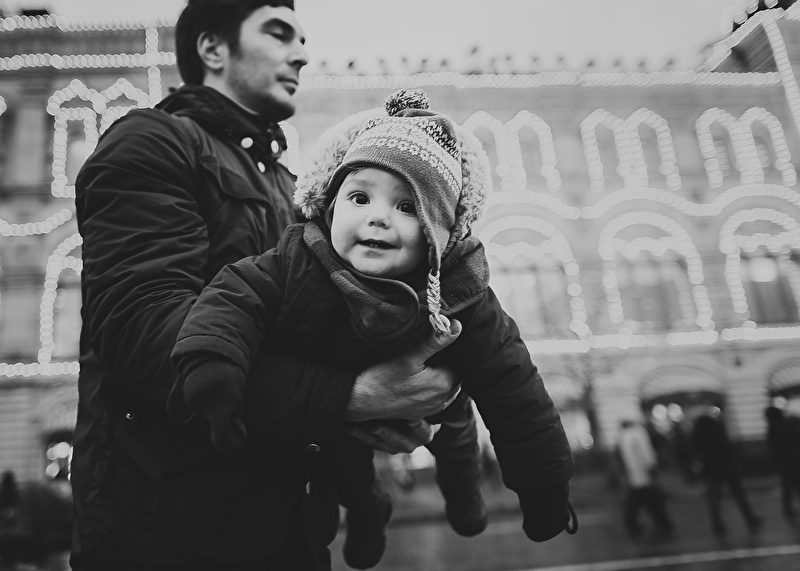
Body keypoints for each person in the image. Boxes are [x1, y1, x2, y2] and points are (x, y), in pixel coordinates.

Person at [71, 2, 463, 569]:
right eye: (279, 34)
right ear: (212, 48)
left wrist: (400, 388)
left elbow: (318, 336)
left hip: (289, 532)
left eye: (303, 39)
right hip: (164, 537)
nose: (301, 54)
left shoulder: (294, 188)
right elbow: (142, 334)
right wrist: (352, 397)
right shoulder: (151, 143)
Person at [168, 89, 577, 568]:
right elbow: (235, 296)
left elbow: (514, 388)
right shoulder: (298, 261)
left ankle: (464, 498)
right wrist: (214, 365)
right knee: (343, 461)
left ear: (440, 231)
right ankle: (368, 512)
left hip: (438, 398)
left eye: (408, 206)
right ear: (330, 206)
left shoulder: (464, 290)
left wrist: (545, 486)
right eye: (360, 197)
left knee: (456, 431)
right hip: (339, 399)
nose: (378, 216)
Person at [691, 407, 762, 535]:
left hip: (710, 467)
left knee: (714, 497)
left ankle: (717, 524)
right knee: (738, 494)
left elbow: (696, 450)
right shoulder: (718, 427)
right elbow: (727, 446)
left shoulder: (697, 432)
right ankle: (750, 518)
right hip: (726, 465)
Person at [616, 419, 673, 538]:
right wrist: (651, 465)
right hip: (641, 474)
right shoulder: (636, 433)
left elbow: (636, 454)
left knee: (642, 501)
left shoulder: (628, 435)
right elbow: (645, 451)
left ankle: (636, 525)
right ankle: (663, 524)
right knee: (649, 501)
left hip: (638, 474)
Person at [766, 400, 800, 518]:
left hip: (783, 461)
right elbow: (792, 436)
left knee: (789, 485)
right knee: (793, 484)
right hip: (790, 460)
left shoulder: (772, 426)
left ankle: (787, 509)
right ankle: (787, 509)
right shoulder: (781, 425)